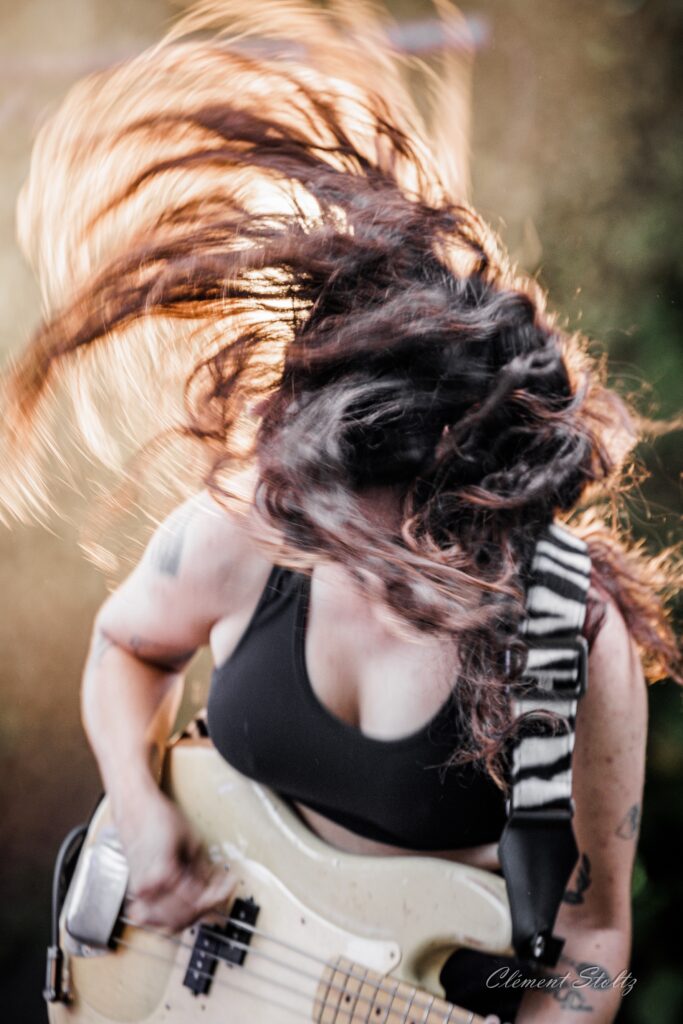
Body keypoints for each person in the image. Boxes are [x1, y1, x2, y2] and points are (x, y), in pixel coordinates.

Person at [2, 3, 679, 1021]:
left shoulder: (564, 634)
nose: (313, 529)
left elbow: (592, 941)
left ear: (456, 504)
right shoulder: (253, 522)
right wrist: (138, 810)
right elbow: (124, 647)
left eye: (352, 513)